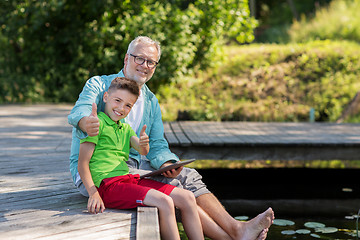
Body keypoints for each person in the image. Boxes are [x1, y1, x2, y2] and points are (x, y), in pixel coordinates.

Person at [68, 35, 274, 240]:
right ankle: (233, 236)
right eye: (139, 58)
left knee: (188, 175)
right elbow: (80, 111)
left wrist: (168, 162)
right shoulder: (100, 85)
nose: (144, 65)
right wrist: (88, 123)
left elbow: (157, 143)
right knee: (176, 187)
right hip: (99, 172)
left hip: (130, 165)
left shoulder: (150, 100)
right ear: (126, 59)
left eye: (151, 62)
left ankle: (236, 229)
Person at [78, 77, 204, 240]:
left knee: (186, 197)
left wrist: (144, 143)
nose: (121, 108)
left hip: (127, 179)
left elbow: (141, 148)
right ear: (106, 97)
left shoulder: (126, 128)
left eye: (128, 105)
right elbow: (82, 164)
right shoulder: (96, 124)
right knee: (165, 202)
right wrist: (93, 194)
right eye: (118, 100)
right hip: (107, 186)